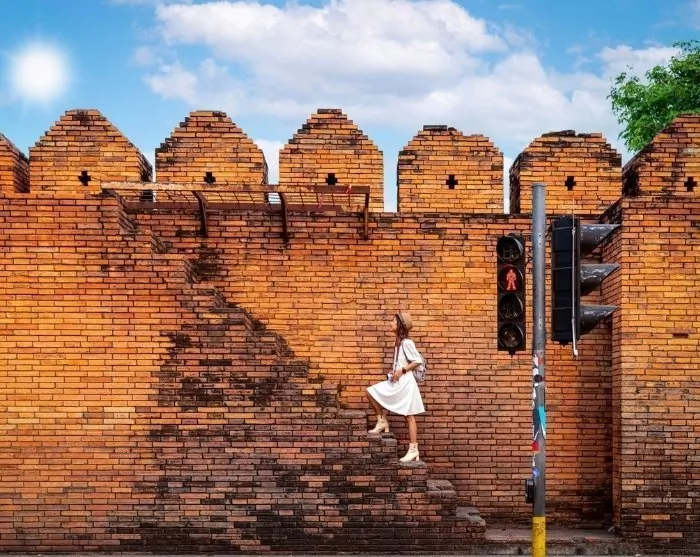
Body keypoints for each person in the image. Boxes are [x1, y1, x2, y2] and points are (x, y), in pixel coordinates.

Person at [365, 311, 425, 463]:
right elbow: (403, 362)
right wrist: (395, 371)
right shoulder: (398, 343)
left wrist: (402, 370)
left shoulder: (407, 342)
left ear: (400, 325)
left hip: (405, 383)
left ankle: (413, 450)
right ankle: (381, 421)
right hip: (398, 381)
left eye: (393, 321)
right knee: (370, 392)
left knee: (409, 416)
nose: (390, 323)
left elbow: (417, 360)